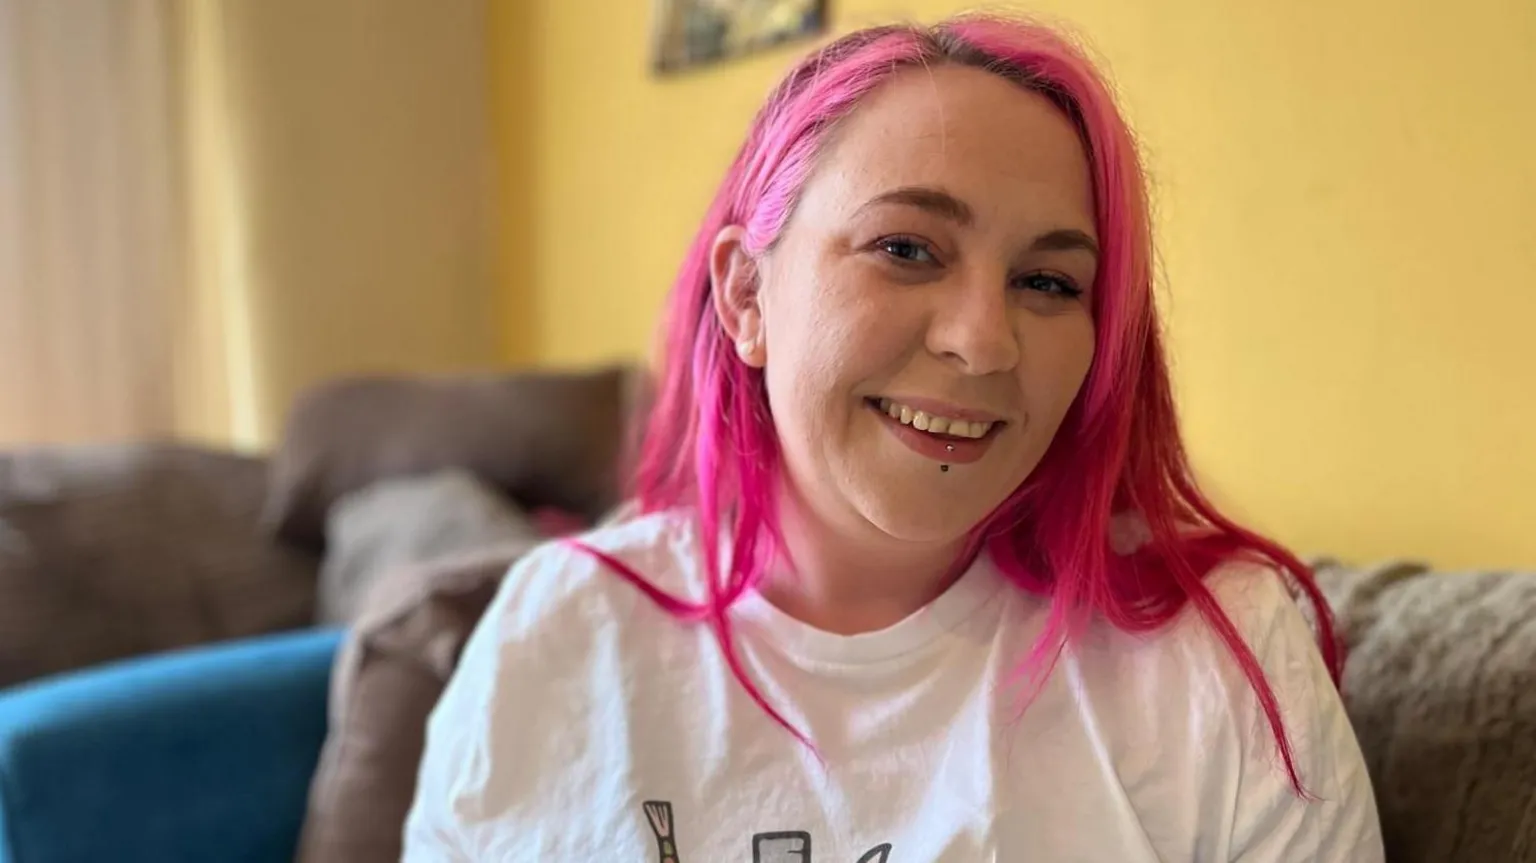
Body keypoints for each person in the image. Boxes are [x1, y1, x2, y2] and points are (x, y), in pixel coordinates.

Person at [404, 14, 1384, 861]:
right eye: (906, 248)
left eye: (1048, 281)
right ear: (746, 295)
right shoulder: (553, 634)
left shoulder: (1216, 650)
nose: (983, 341)